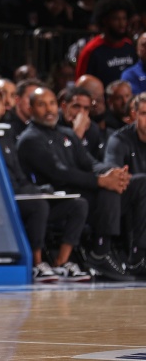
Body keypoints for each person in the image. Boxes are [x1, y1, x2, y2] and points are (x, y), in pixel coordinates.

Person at [18, 87, 146, 281]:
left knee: (141, 183)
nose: (49, 109)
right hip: (57, 197)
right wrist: (101, 181)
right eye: (42, 105)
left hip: (83, 191)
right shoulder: (30, 139)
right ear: (31, 108)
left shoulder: (65, 134)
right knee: (107, 191)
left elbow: (90, 163)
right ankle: (100, 252)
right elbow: (59, 173)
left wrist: (113, 174)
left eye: (51, 103)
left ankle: (138, 254)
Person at [0, 85, 91, 282]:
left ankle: (61, 262)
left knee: (77, 204)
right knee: (38, 205)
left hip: (19, 195)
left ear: (4, 107)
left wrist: (38, 190)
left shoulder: (8, 134)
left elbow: (20, 175)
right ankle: (36, 263)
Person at [77, 0, 136, 86]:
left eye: (124, 18)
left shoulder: (129, 46)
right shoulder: (91, 50)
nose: (122, 24)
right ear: (105, 20)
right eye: (116, 19)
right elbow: (81, 83)